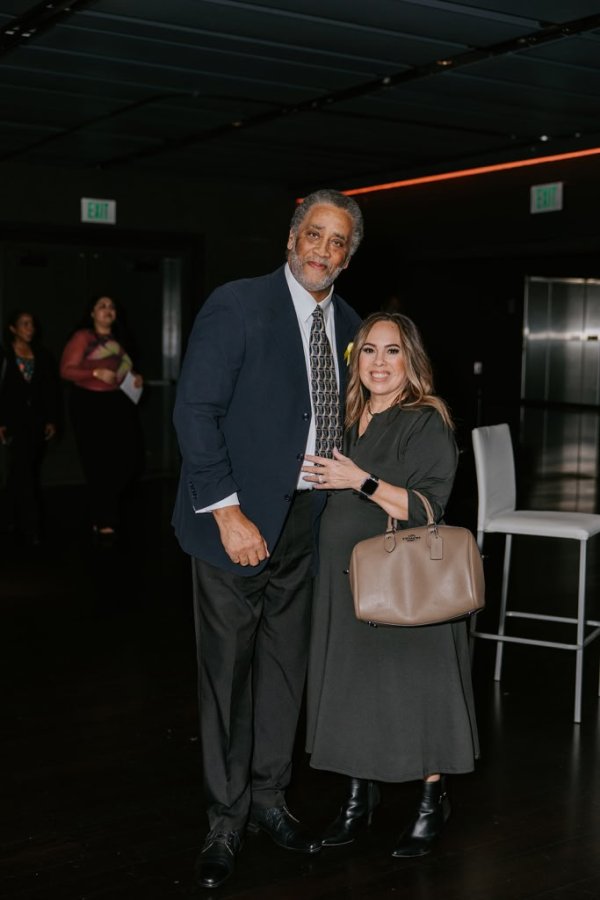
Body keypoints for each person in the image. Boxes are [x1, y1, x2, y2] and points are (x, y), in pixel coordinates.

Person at [172, 188, 363, 889]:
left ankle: (270, 801)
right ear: (291, 239)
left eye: (337, 241)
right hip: (235, 526)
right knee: (227, 678)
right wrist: (226, 512)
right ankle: (225, 821)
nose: (323, 250)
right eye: (314, 234)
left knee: (285, 672)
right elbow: (195, 412)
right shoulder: (238, 303)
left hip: (308, 525)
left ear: (348, 256)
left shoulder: (348, 322)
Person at [302, 312, 479, 858]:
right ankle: (359, 799)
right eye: (371, 351)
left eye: (393, 351)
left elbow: (429, 507)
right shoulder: (347, 418)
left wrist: (363, 481)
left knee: (418, 688)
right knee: (353, 686)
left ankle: (431, 802)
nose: (380, 362)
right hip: (343, 576)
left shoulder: (425, 420)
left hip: (403, 579)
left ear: (411, 361)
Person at [59, 295, 144, 544]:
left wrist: (135, 377)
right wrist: (95, 372)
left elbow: (124, 371)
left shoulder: (117, 341)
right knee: (98, 463)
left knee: (130, 459)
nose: (108, 310)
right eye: (102, 306)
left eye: (112, 307)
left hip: (115, 402)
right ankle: (104, 519)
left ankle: (104, 509)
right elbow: (65, 370)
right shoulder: (83, 337)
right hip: (88, 403)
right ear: (92, 313)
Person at [0, 310, 58, 544]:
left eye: (32, 324)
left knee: (21, 470)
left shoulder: (42, 356)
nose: (30, 328)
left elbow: (50, 391)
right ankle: (31, 525)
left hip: (36, 421)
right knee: (24, 470)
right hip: (14, 422)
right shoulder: (4, 356)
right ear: (13, 328)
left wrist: (52, 419)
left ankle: (8, 516)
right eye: (24, 324)